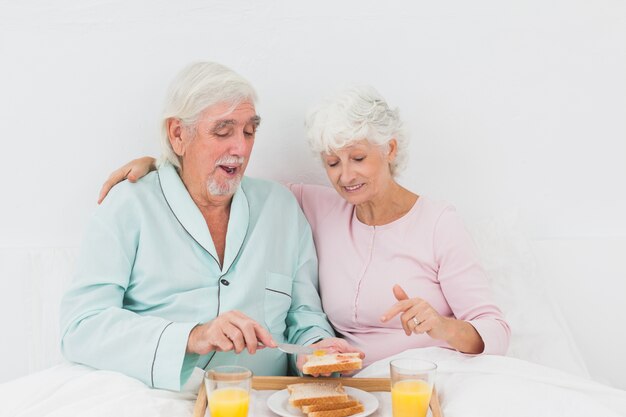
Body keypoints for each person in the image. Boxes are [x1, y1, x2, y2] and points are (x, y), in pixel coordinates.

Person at [98, 85, 511, 368]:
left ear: (390, 149)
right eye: (332, 163)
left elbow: (495, 330)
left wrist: (442, 327)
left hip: (424, 377)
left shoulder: (439, 221)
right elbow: (221, 179)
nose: (345, 175)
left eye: (358, 158)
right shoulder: (317, 205)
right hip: (350, 384)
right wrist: (161, 166)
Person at [61, 61, 359, 392]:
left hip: (264, 400)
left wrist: (316, 349)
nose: (241, 148)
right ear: (178, 134)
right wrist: (192, 336)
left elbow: (305, 317)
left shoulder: (281, 207)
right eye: (223, 131)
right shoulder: (129, 206)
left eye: (249, 131)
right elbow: (81, 327)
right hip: (161, 401)